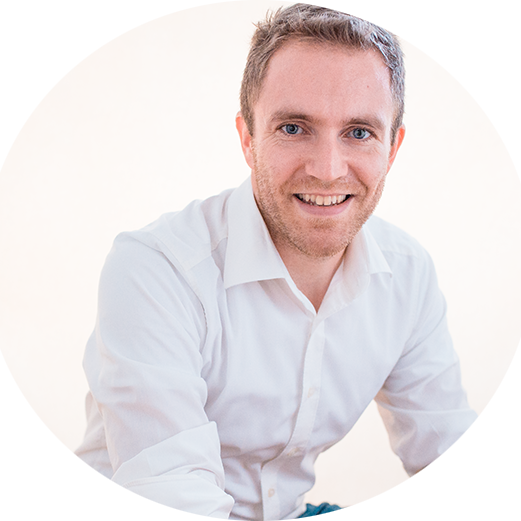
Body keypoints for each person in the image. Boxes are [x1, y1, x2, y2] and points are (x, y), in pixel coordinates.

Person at [58, 1, 521, 520]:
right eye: (294, 128)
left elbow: (461, 469)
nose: (328, 170)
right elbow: (171, 505)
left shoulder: (406, 274)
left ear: (392, 148)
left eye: (359, 132)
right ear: (248, 139)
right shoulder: (156, 269)